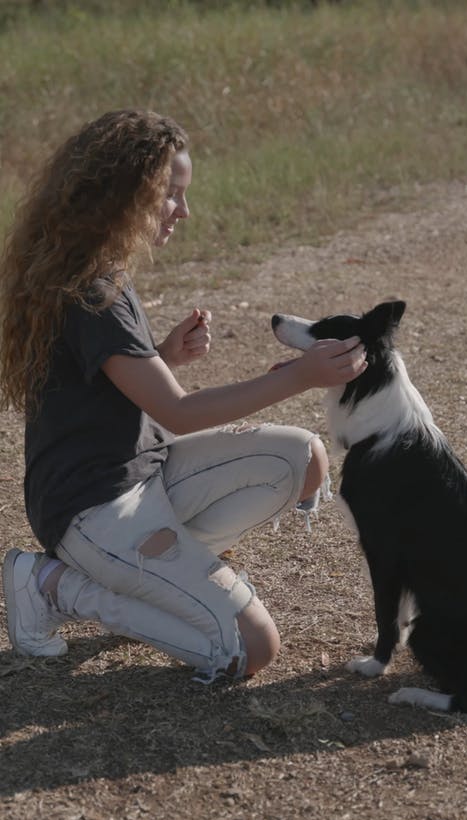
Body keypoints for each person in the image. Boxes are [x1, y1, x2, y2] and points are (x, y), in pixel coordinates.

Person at [0, 109, 367, 682]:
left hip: (142, 475)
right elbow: (178, 412)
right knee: (252, 649)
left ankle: (153, 575)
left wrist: (162, 357)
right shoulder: (92, 289)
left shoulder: (97, 269)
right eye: (170, 194)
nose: (183, 211)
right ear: (125, 194)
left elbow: (100, 388)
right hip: (93, 508)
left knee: (303, 460)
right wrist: (299, 375)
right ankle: (55, 586)